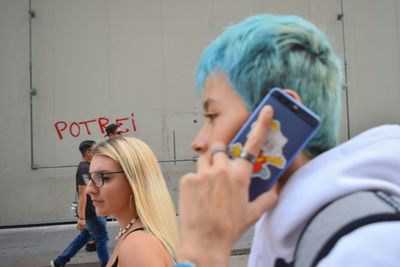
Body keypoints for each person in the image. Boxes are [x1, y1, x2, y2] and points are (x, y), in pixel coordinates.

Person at [175, 14, 400, 267]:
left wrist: (202, 252)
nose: (198, 142)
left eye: (213, 115)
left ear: (275, 121)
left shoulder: (366, 247)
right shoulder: (289, 232)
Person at [86, 136, 179, 267]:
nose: (89, 189)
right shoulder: (135, 235)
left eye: (104, 177)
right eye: (90, 177)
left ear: (135, 182)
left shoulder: (138, 245)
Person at [51, 140, 110, 267]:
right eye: (95, 150)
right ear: (88, 152)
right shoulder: (84, 169)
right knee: (102, 239)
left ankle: (59, 261)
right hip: (92, 212)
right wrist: (81, 218)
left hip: (94, 210)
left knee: (83, 238)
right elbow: (82, 194)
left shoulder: (89, 167)